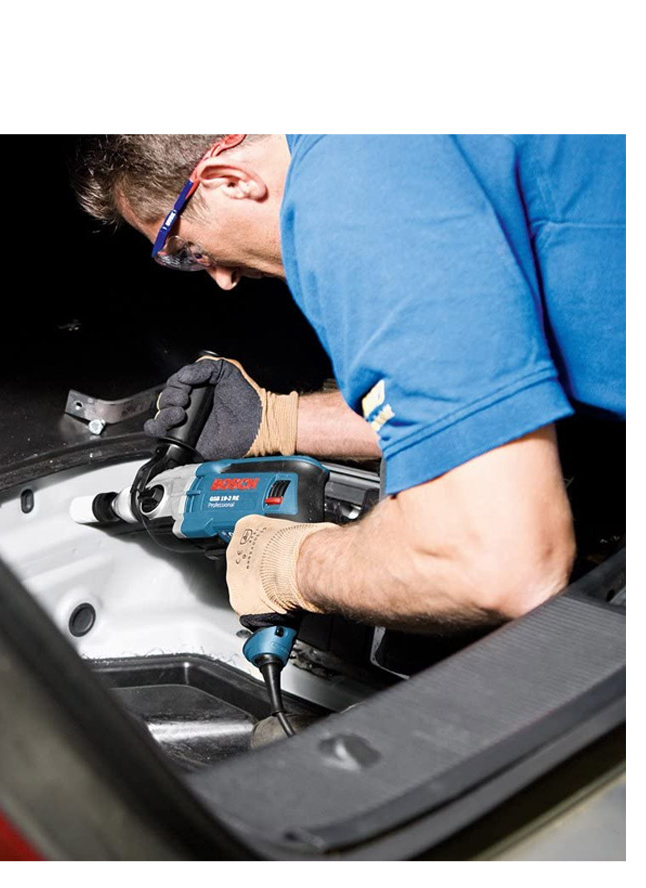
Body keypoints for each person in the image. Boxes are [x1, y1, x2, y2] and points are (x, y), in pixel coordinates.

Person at [72, 135, 626, 630]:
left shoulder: (349, 192)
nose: (220, 277)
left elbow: (500, 561)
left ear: (229, 180)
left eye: (186, 250)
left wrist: (291, 565)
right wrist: (280, 421)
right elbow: (491, 394)